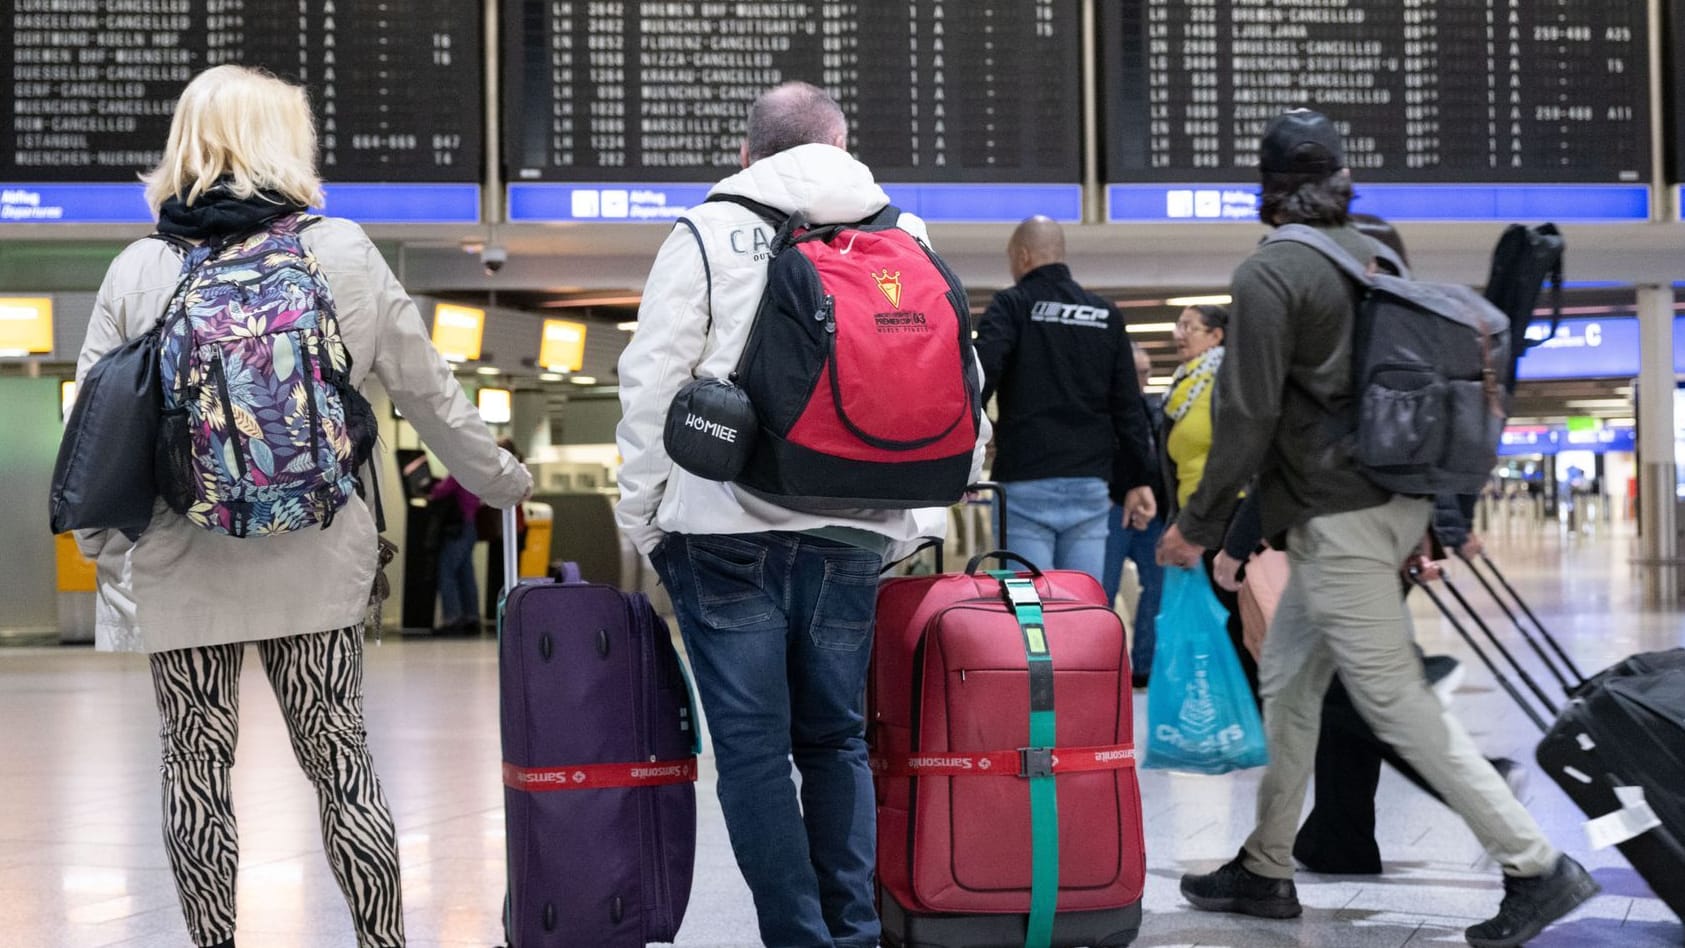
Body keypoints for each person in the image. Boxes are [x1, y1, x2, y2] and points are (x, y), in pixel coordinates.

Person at [72, 65, 531, 948]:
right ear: (291, 141)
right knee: (341, 763)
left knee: (194, 769)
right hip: (317, 555)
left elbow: (94, 433)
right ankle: (382, 943)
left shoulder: (140, 267)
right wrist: (503, 480)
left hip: (181, 559)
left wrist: (108, 555)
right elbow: (431, 396)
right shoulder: (343, 252)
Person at [1159, 109, 1596, 948]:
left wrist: (1199, 525)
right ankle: (1265, 866)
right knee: (1288, 688)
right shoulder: (1373, 253)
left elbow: (1245, 414)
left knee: (1392, 701)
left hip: (1339, 522)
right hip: (1378, 508)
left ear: (1267, 187)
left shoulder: (1271, 274)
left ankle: (1535, 864)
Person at [613, 82, 989, 948]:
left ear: (749, 154)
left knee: (752, 751)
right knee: (836, 741)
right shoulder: (906, 233)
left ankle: (796, 936)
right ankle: (852, 935)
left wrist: (646, 520)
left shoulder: (707, 228)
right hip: (856, 524)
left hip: (721, 526)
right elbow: (957, 385)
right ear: (842, 143)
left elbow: (653, 386)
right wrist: (923, 515)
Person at [974, 216, 1157, 579]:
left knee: (1031, 610)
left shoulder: (1012, 305)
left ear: (1023, 256)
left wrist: (982, 433)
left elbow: (978, 378)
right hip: (1089, 486)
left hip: (1025, 483)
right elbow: (1129, 405)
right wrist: (1139, 478)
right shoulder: (1105, 314)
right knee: (1081, 604)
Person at [1159, 302, 1258, 696]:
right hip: (1194, 514)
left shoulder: (1228, 379)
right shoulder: (1181, 385)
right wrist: (1175, 520)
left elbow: (1238, 450)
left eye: (1190, 326)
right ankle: (1226, 707)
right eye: (1178, 325)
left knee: (1237, 617)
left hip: (1230, 511)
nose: (1180, 334)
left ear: (1217, 336)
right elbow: (1170, 462)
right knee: (1212, 621)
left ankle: (1251, 710)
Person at [1102, 343, 1166, 688]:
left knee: (1157, 588)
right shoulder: (1101, 409)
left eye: (1146, 372)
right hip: (1111, 508)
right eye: (1136, 372)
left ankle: (1144, 666)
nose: (1142, 379)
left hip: (1151, 512)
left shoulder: (1153, 408)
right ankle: (1105, 672)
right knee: (1103, 590)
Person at [429, 473, 483, 634]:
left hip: (458, 528)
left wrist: (430, 486)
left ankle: (452, 619)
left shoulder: (458, 474)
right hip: (471, 525)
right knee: (466, 573)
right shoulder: (473, 473)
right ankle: (471, 617)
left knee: (447, 572)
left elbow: (438, 492)